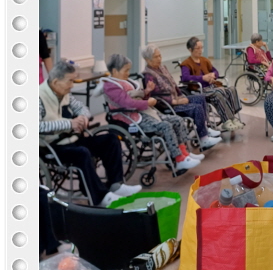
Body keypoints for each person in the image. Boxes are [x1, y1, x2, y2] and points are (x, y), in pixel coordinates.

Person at [39, 60, 142, 207]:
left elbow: (81, 107)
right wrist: (69, 123)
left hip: (72, 138)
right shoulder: (39, 97)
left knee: (111, 139)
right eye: (70, 81)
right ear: (56, 82)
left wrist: (83, 118)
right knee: (82, 152)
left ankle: (116, 185)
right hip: (53, 146)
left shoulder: (64, 93)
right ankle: (101, 198)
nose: (72, 85)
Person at [103, 54, 202, 174]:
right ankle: (179, 159)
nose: (128, 73)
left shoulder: (125, 82)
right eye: (126, 70)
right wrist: (147, 103)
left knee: (177, 120)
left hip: (143, 113)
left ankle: (184, 152)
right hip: (129, 119)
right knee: (165, 126)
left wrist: (147, 91)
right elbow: (128, 103)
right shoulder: (111, 87)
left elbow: (136, 97)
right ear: (115, 71)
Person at [141, 45, 222, 151]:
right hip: (167, 106)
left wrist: (181, 96)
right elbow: (156, 96)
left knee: (201, 98)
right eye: (156, 57)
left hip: (177, 99)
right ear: (147, 59)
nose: (159, 58)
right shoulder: (148, 75)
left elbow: (174, 85)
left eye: (160, 56)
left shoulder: (162, 68)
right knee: (196, 108)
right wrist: (176, 101)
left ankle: (205, 129)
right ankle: (203, 139)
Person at [180, 37, 243, 131]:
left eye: (202, 47)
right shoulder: (186, 64)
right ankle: (227, 120)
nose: (201, 50)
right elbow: (185, 78)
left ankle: (232, 117)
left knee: (232, 89)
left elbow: (215, 71)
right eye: (198, 48)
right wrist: (202, 78)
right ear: (190, 49)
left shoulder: (204, 60)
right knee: (218, 93)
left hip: (212, 86)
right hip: (200, 89)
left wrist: (213, 75)